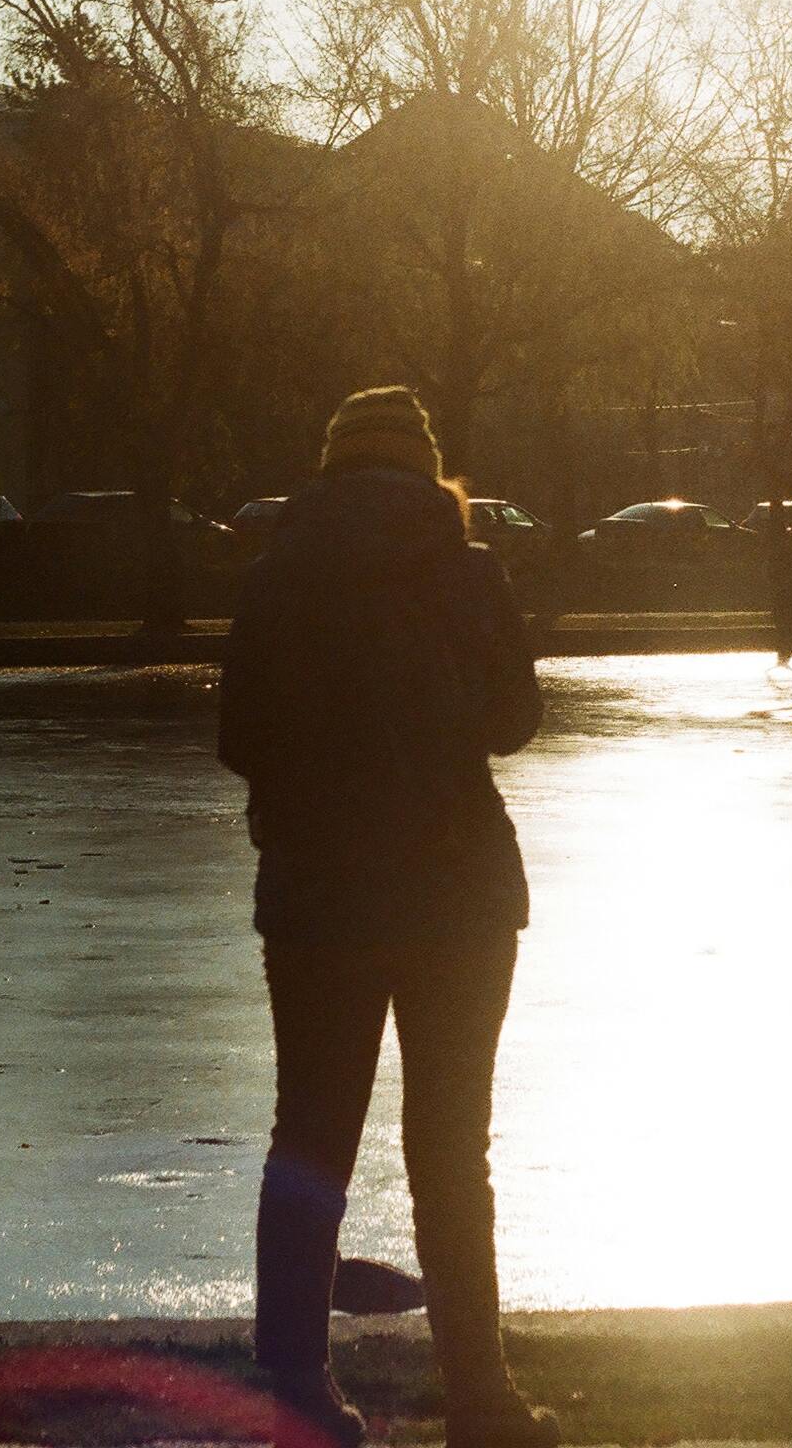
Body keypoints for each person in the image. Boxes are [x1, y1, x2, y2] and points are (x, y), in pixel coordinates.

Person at [218, 386, 558, 1448]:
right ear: (425, 470)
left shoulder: (275, 577)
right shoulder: (469, 571)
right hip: (457, 891)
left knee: (307, 1140)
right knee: (452, 1150)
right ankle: (481, 1398)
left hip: (319, 893)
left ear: (328, 470)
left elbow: (235, 738)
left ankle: (294, 1393)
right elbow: (515, 720)